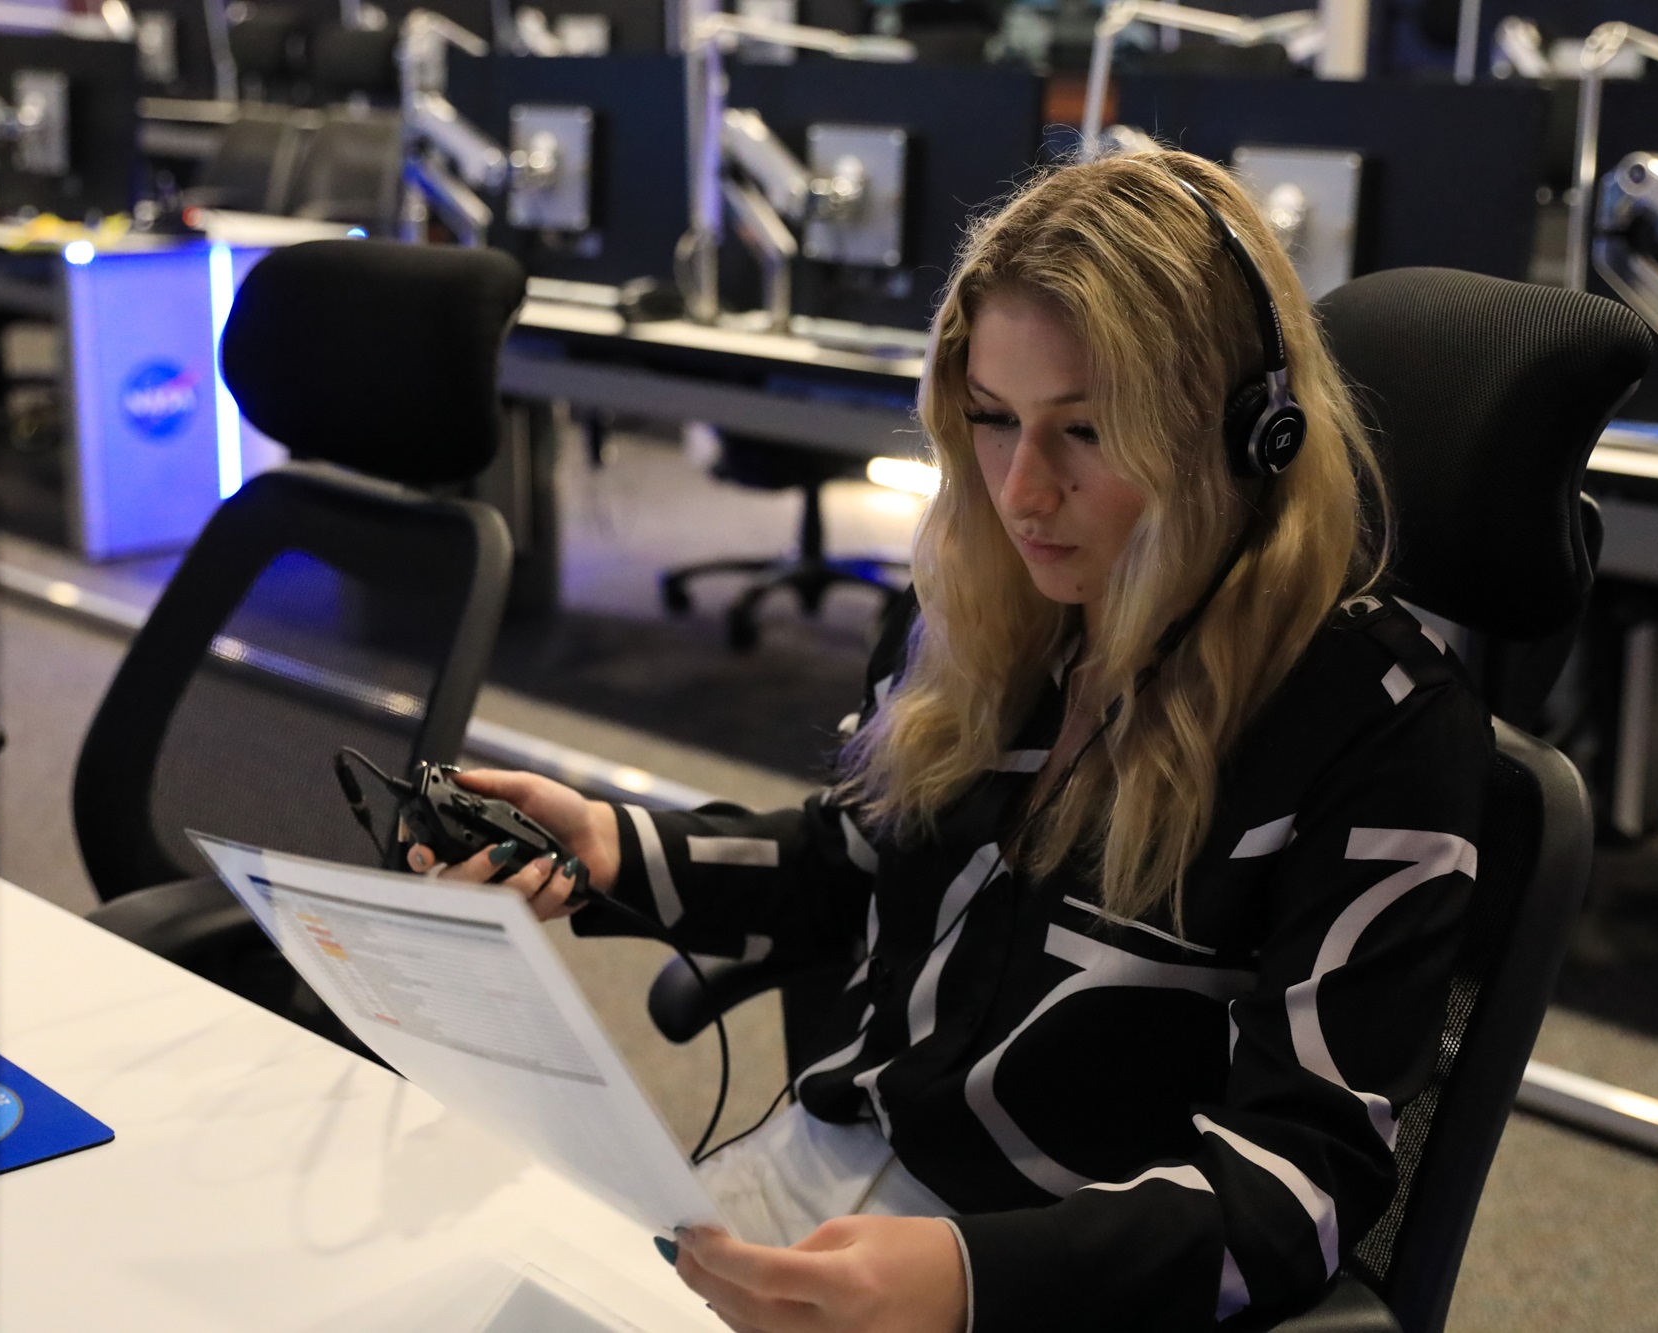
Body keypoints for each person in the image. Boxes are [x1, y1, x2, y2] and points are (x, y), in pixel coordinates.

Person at [429, 148, 1491, 1331]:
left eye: (1082, 431)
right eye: (990, 421)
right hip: (822, 1178)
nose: (1020, 493)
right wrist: (616, 849)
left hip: (1056, 1270)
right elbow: (857, 863)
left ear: (1249, 434)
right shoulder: (986, 609)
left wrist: (970, 1283)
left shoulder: (1378, 727)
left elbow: (1305, 1182)